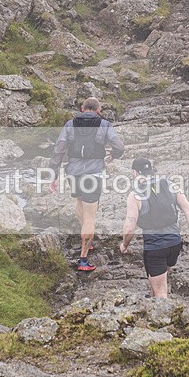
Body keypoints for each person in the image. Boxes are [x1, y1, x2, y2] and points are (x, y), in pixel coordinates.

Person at [49, 97, 125, 272]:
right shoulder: (104, 125)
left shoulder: (70, 125)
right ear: (98, 110)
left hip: (73, 173)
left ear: (82, 109)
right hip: (93, 174)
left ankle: (86, 236)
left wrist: (53, 175)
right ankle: (83, 259)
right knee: (90, 217)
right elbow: (119, 147)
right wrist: (112, 156)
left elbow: (58, 150)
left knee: (79, 203)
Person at [119, 158, 189, 298]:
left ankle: (162, 311)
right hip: (175, 243)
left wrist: (124, 245)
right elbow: (188, 210)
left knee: (161, 293)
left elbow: (130, 226)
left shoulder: (135, 195)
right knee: (161, 275)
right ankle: (155, 295)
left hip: (155, 247)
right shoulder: (170, 185)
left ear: (135, 172)